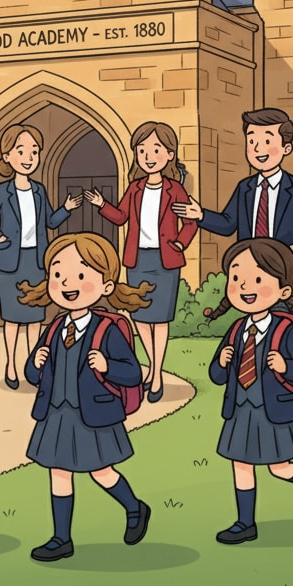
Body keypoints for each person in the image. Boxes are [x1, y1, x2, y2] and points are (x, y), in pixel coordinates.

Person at [174, 107, 293, 429]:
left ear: (286, 147)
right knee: (255, 343)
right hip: (250, 281)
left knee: (290, 344)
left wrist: (290, 254)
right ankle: (256, 406)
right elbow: (229, 223)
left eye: (267, 140)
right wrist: (200, 216)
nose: (257, 148)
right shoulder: (245, 189)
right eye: (251, 140)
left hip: (286, 283)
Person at [19, 232, 153, 562]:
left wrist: (108, 366)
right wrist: (35, 364)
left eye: (80, 275)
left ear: (106, 286)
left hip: (93, 414)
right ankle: (61, 538)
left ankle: (134, 507)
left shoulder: (107, 330)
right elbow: (34, 375)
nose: (67, 283)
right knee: (58, 473)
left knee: (102, 472)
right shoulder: (54, 328)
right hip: (56, 413)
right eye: (57, 274)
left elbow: (133, 373)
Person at [207, 238, 293, 544]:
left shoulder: (286, 330)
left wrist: (286, 366)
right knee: (241, 464)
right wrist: (221, 363)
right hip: (241, 410)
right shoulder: (236, 330)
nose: (244, 286)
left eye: (258, 279)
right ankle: (245, 523)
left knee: (279, 466)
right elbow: (217, 376)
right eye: (236, 277)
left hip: (274, 409)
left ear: (284, 291)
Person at [85, 120, 196, 402]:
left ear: (169, 154)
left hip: (165, 260)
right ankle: (154, 367)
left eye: (156, 149)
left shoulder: (175, 189)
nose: (148, 156)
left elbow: (190, 221)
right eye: (142, 150)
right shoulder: (135, 188)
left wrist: (180, 243)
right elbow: (121, 217)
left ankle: (156, 374)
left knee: (160, 319)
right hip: (137, 260)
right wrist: (102, 205)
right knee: (140, 317)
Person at [0, 124, 81, 390]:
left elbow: (50, 222)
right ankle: (11, 365)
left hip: (36, 261)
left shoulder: (39, 190)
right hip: (10, 263)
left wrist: (66, 209)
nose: (29, 158)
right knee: (12, 318)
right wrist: (0, 238)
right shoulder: (2, 190)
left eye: (34, 152)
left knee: (35, 318)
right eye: (21, 151)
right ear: (7, 156)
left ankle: (34, 367)